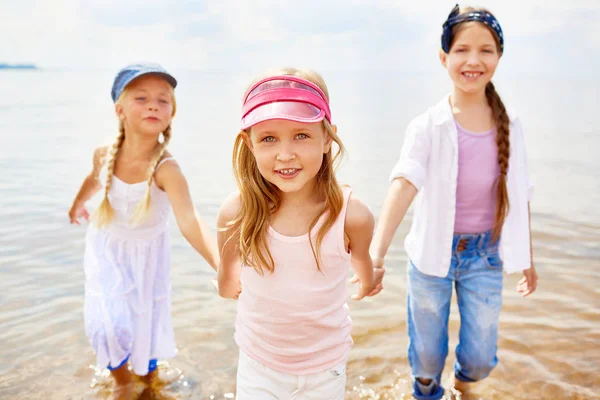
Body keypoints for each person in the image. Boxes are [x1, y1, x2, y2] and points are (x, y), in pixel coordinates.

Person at [370, 6, 538, 399]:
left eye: (486, 50)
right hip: (431, 256)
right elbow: (404, 183)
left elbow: (520, 194)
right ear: (443, 57)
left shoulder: (510, 124)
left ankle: (463, 388)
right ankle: (427, 392)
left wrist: (527, 257)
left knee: (480, 357)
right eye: (462, 50)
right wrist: (376, 254)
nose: (474, 60)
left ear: (499, 56)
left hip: (485, 256)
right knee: (427, 356)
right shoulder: (427, 125)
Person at [217, 68, 385, 399]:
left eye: (301, 135)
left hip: (326, 368)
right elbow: (366, 277)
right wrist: (369, 281)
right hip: (258, 367)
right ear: (248, 143)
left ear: (327, 138)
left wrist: (369, 279)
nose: (285, 153)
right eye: (268, 138)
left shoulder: (352, 216)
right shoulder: (237, 213)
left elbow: (226, 285)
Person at [68, 63, 219, 399]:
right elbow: (95, 179)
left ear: (171, 113)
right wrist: (78, 203)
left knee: (143, 319)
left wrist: (223, 266)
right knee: (107, 322)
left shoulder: (167, 169)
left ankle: (148, 383)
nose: (153, 105)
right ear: (119, 110)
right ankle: (121, 383)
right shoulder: (105, 154)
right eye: (142, 98)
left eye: (163, 100)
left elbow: (190, 219)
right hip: (107, 248)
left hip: (148, 256)